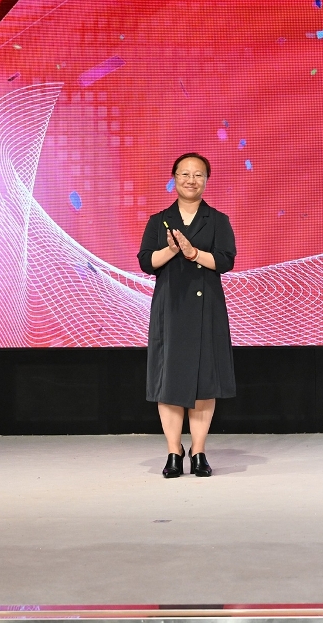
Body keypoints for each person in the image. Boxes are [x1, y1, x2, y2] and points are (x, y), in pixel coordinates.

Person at [137, 153, 237, 478]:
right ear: (174, 178)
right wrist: (171, 250)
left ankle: (199, 451)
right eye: (185, 174)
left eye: (198, 175)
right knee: (169, 381)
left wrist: (194, 253)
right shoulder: (159, 220)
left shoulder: (218, 219)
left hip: (207, 309)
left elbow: (225, 261)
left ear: (206, 180)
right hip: (171, 308)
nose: (191, 180)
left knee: (205, 381)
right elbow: (146, 262)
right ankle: (172, 451)